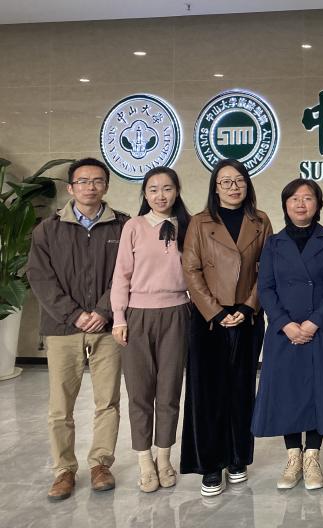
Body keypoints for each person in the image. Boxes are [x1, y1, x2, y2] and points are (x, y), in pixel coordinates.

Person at [26, 157, 128, 501]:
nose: (90, 187)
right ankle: (64, 470)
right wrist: (75, 314)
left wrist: (102, 311)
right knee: (60, 406)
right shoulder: (47, 230)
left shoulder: (122, 226)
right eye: (83, 181)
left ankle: (100, 465)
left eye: (97, 181)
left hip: (107, 327)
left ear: (106, 186)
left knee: (108, 401)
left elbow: (126, 274)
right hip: (62, 328)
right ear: (71, 188)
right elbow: (40, 277)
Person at [180, 159, 273, 496]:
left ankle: (238, 459)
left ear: (247, 184)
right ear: (215, 188)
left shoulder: (260, 220)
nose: (234, 187)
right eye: (226, 182)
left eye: (239, 180)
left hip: (248, 317)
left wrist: (248, 306)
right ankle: (211, 464)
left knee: (242, 390)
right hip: (209, 320)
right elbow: (191, 270)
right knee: (208, 393)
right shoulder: (199, 222)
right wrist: (216, 312)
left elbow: (268, 268)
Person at [252, 179, 323, 491]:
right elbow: (266, 287)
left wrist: (314, 322)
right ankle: (293, 457)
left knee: (318, 389)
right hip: (284, 331)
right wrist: (285, 323)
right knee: (287, 392)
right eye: (294, 198)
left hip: (320, 329)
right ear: (285, 204)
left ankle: (312, 457)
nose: (301, 204)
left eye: (308, 198)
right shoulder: (273, 244)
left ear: (318, 204)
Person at [110, 166, 191, 493]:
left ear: (177, 191)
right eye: (153, 189)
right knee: (139, 393)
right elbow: (121, 274)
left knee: (169, 391)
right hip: (137, 316)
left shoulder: (188, 226)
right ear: (145, 193)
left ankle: (164, 458)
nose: (160, 195)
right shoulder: (134, 226)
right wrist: (119, 317)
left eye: (167, 188)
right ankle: (144, 461)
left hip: (176, 313)